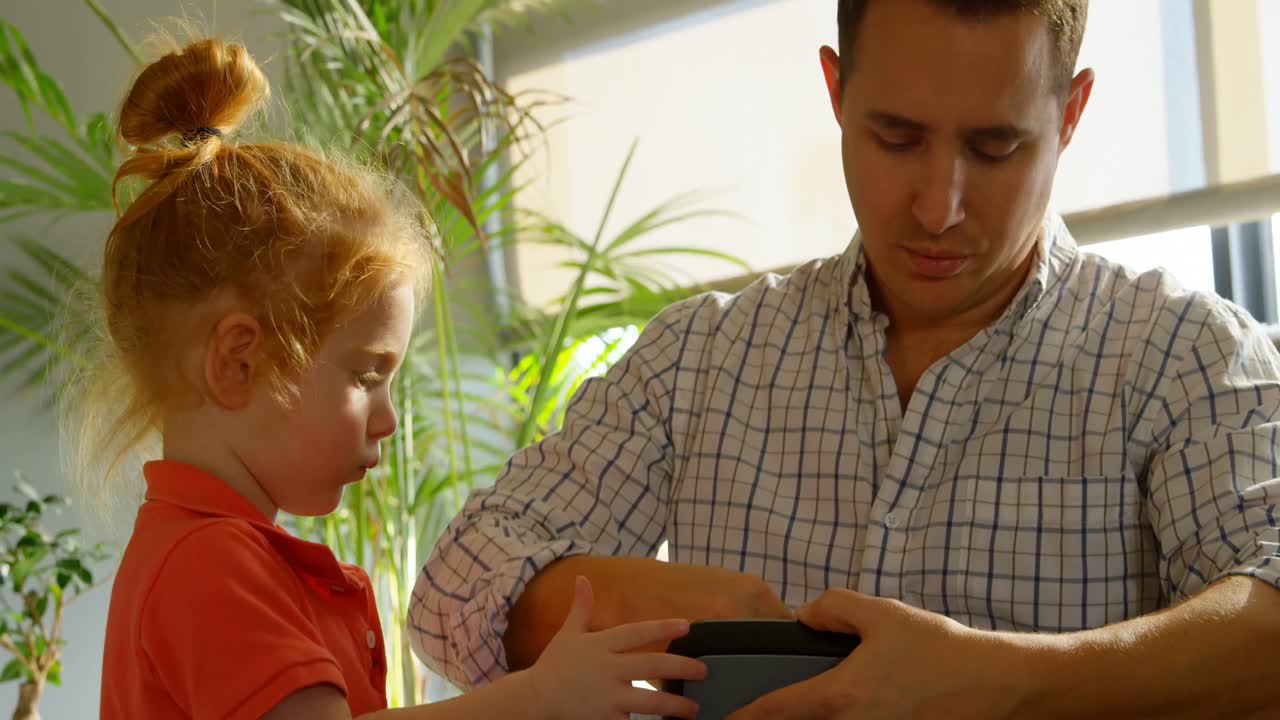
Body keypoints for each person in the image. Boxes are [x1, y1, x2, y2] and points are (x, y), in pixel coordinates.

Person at [408, 0, 1280, 717]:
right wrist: (683, 610)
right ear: (834, 90)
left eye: (995, 148)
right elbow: (454, 589)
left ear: (1072, 113)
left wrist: (999, 679)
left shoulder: (1186, 356)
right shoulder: (697, 359)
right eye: (896, 138)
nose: (938, 207)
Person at [82, 37, 706, 720]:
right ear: (239, 362)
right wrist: (536, 698)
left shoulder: (198, 552)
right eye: (365, 375)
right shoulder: (210, 564)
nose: (388, 420)